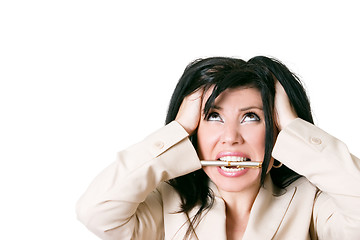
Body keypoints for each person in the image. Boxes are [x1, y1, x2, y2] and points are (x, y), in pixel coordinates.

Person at [76, 56, 360, 240]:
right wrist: (179, 129)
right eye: (213, 116)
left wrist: (292, 125)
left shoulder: (311, 203)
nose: (230, 137)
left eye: (252, 117)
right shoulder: (165, 205)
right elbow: (95, 212)